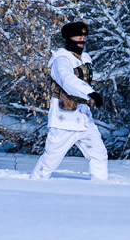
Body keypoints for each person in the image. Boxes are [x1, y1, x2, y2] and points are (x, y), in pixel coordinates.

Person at [30, 21, 108, 181]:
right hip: (63, 121)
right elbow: (68, 80)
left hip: (85, 120)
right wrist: (91, 93)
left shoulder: (85, 60)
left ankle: (100, 189)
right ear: (69, 38)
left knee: (99, 154)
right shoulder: (61, 61)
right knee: (49, 162)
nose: (82, 40)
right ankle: (34, 186)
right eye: (78, 36)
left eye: (84, 36)